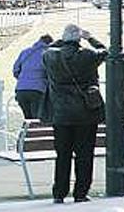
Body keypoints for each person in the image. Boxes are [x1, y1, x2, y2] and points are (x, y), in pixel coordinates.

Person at [42, 24, 106, 204]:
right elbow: (105, 51)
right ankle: (81, 193)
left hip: (61, 114)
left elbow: (49, 48)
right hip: (85, 114)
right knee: (84, 155)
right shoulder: (87, 55)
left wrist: (64, 38)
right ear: (78, 40)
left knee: (63, 155)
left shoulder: (50, 56)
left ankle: (59, 193)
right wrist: (89, 37)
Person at [12, 34, 53, 119]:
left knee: (27, 118)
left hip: (21, 90)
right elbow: (51, 73)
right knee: (37, 119)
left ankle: (26, 131)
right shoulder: (48, 54)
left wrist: (23, 80)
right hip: (37, 90)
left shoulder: (25, 52)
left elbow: (16, 70)